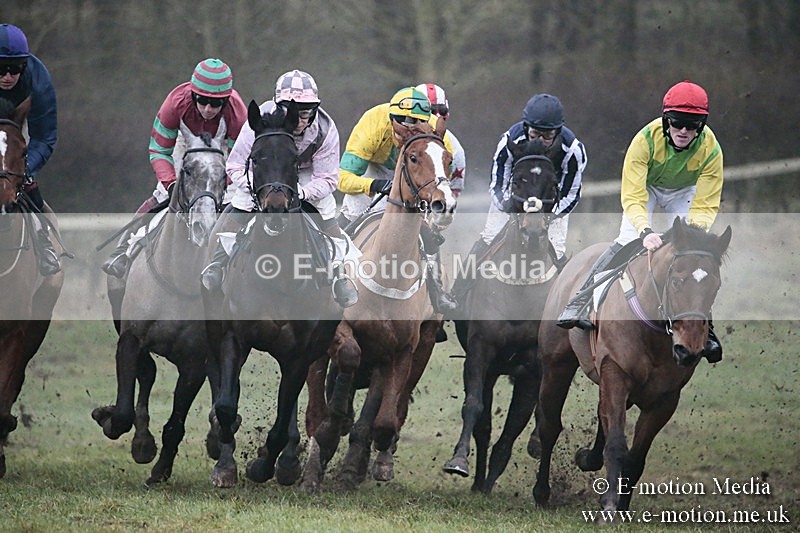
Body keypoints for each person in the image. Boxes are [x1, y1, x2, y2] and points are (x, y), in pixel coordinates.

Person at [556, 80, 723, 362]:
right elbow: (633, 195)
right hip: (646, 188)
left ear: (702, 125)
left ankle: (707, 330)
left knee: (693, 259)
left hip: (684, 192)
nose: (683, 131)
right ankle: (582, 301)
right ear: (665, 120)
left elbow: (706, 204)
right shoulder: (643, 141)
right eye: (677, 122)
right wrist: (644, 231)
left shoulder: (712, 149)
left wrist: (692, 237)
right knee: (626, 239)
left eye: (692, 125)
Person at [200, 69, 358, 308]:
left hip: (306, 175)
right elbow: (234, 166)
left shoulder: (326, 128)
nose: (302, 119)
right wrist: (257, 189)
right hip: (263, 174)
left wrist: (301, 193)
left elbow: (328, 178)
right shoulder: (259, 120)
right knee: (241, 201)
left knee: (325, 209)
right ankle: (218, 264)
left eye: (307, 111)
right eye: (294, 111)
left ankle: (339, 275)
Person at [102, 58, 247, 277]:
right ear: (192, 95)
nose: (208, 108)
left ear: (226, 101)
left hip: (221, 152)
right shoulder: (174, 104)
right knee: (161, 195)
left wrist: (219, 184)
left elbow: (240, 158)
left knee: (235, 200)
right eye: (202, 100)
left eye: (216, 103)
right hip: (184, 145)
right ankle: (124, 250)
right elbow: (159, 151)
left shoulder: (237, 112)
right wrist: (171, 185)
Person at [337, 86, 458, 312]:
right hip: (374, 172)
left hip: (417, 176)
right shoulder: (373, 122)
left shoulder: (439, 139)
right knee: (344, 224)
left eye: (415, 121)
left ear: (427, 120)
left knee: (427, 235)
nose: (408, 126)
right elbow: (343, 179)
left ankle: (436, 290)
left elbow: (442, 184)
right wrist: (372, 185)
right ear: (390, 116)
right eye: (401, 120)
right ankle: (329, 284)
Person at [456, 93, 586, 295]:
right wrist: (507, 206)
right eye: (535, 134)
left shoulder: (572, 151)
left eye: (548, 136)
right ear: (526, 128)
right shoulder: (509, 141)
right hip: (515, 196)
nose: (541, 141)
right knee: (489, 237)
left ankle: (567, 305)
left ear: (558, 132)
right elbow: (498, 183)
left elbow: (571, 194)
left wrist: (549, 215)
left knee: (557, 250)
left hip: (551, 201)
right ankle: (457, 294)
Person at [0, 23, 60, 275]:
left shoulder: (38, 79)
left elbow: (45, 138)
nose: (8, 76)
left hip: (17, 137)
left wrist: (22, 171)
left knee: (29, 191)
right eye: (1, 69)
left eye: (16, 69)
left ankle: (44, 243)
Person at [414, 83, 466, 196]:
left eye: (441, 111)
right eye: (431, 111)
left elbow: (450, 200)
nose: (436, 117)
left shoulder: (456, 151)